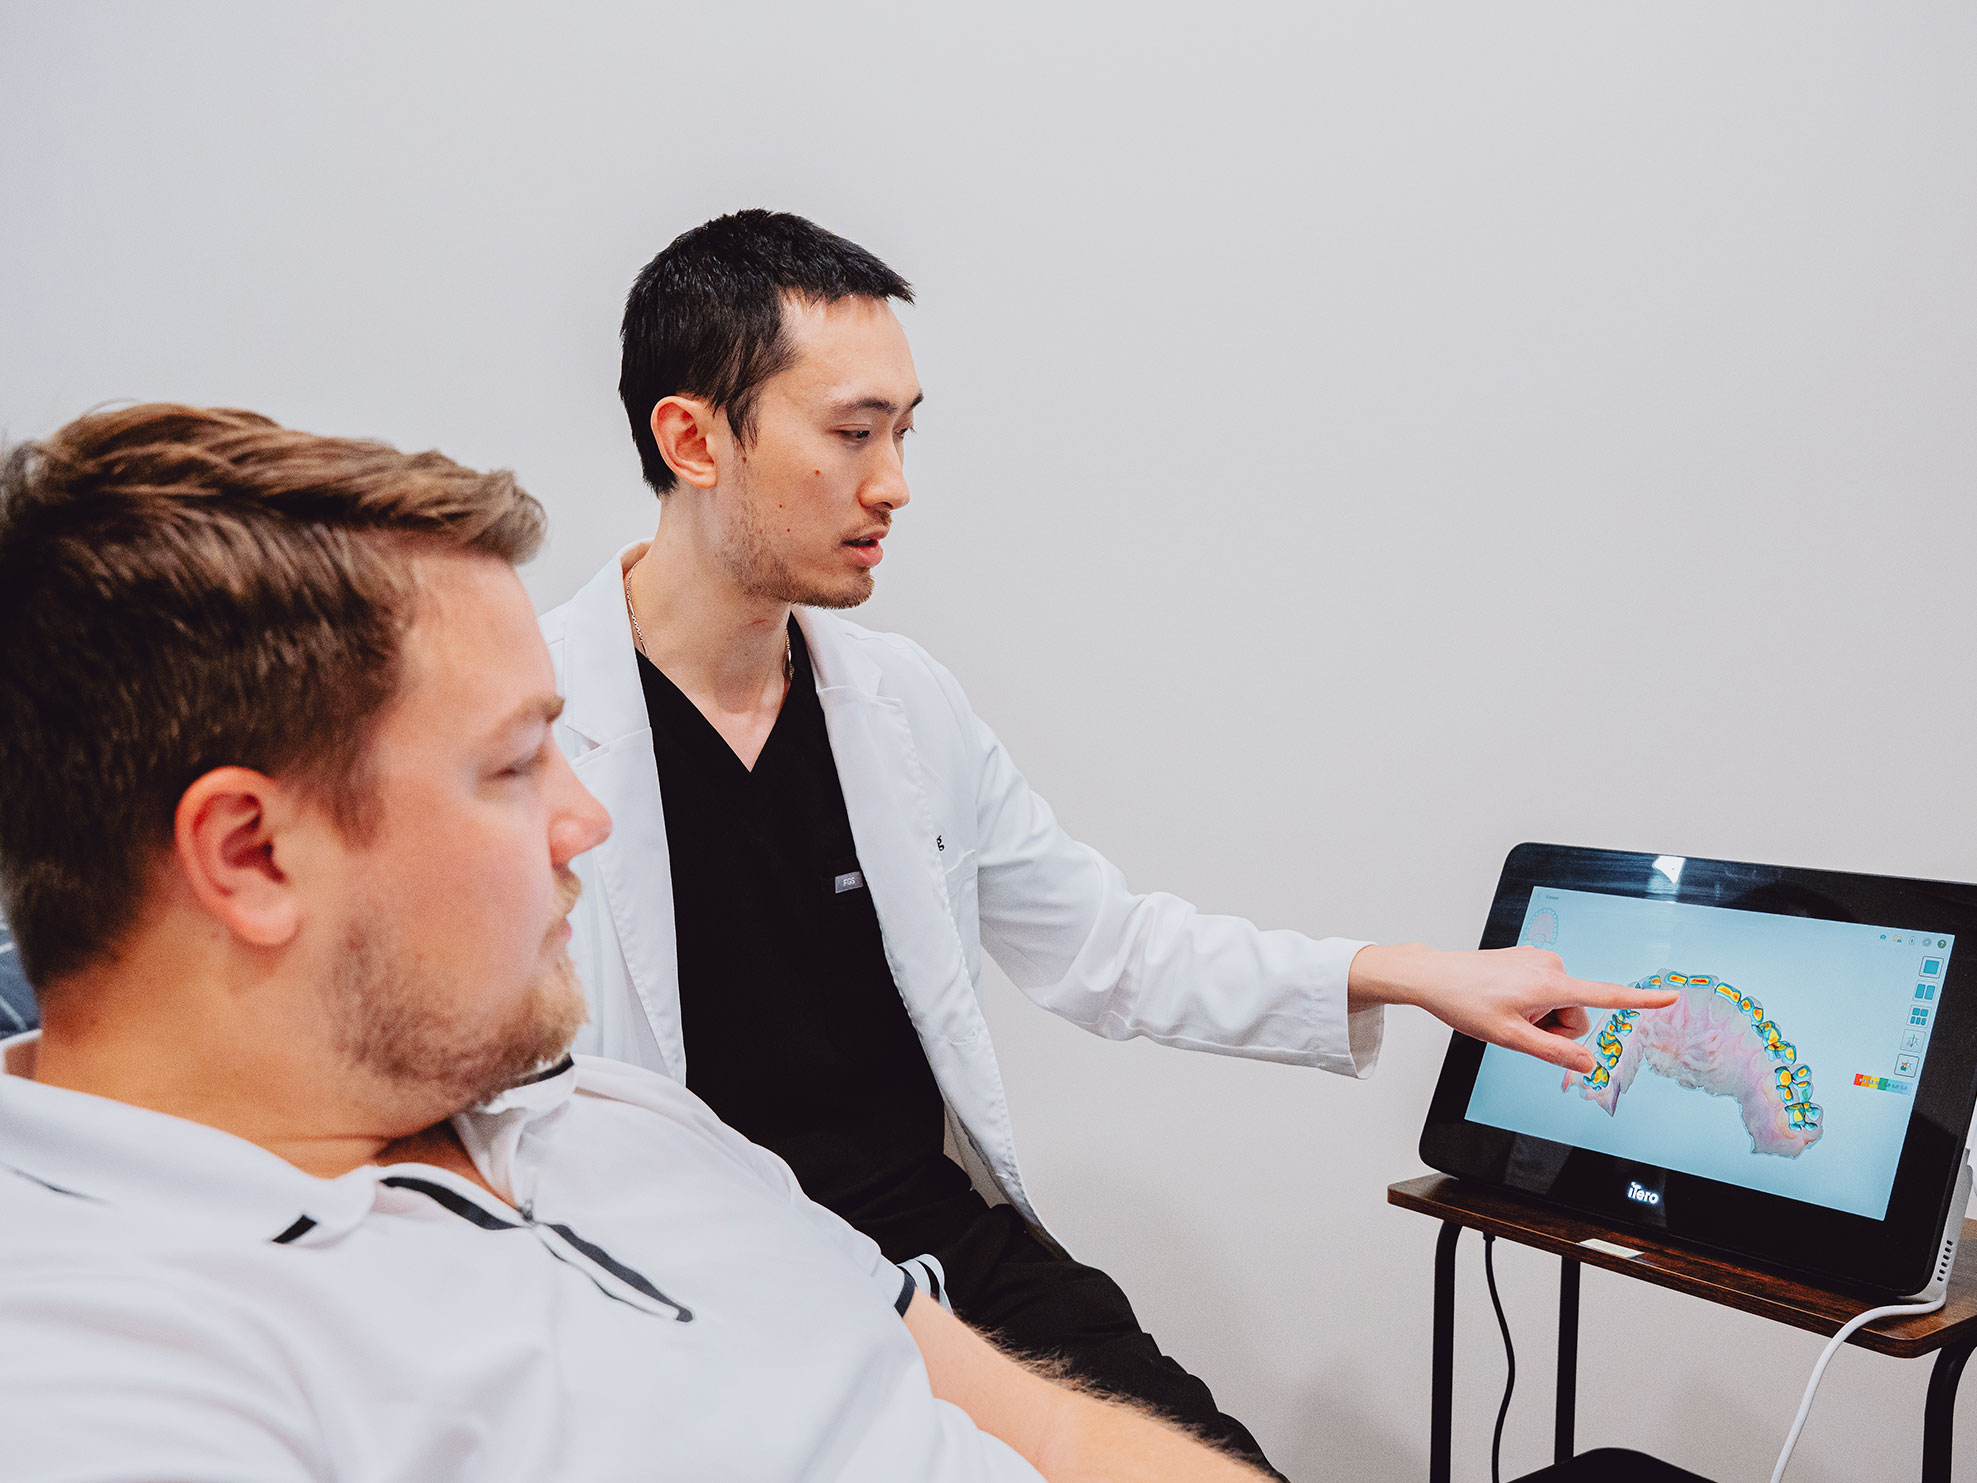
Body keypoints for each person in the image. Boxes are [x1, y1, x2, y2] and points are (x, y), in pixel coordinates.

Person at [546, 209, 1678, 1472]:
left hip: (949, 1253)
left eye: (905, 432)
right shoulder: (525, 727)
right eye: (853, 433)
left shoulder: (901, 702)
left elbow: (1110, 947)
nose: (895, 484)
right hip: (717, 1303)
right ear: (693, 437)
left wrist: (1405, 972)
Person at [0, 403, 1275, 1483]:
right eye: (512, 766)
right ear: (251, 855)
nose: (586, 816)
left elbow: (1042, 1423)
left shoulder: (616, 1120)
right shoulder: (108, 1366)